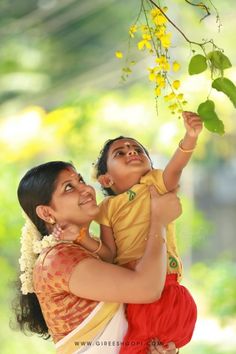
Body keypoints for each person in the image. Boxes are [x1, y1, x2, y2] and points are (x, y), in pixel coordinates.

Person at [13, 161, 181, 354]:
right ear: (46, 213)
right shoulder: (57, 259)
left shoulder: (88, 249)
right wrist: (158, 220)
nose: (86, 189)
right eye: (69, 187)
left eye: (81, 180)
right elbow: (148, 288)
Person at [90, 111, 202, 353]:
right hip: (135, 288)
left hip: (167, 284)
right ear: (106, 180)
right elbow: (108, 253)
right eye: (120, 153)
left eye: (138, 150)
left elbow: (176, 168)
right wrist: (83, 240)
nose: (131, 151)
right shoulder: (106, 208)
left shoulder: (155, 183)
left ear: (151, 165)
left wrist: (190, 137)